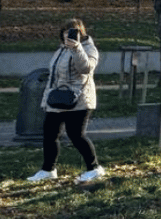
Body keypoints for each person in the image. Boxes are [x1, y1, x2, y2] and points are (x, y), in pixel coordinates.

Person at [28, 18, 105, 183]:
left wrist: (77, 49)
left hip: (79, 99)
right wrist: (45, 101)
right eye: (64, 33)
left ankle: (94, 168)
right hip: (57, 99)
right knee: (49, 134)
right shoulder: (61, 50)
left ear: (80, 34)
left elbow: (85, 68)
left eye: (70, 33)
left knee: (76, 135)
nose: (66, 37)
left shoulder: (89, 49)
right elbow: (53, 77)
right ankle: (48, 170)